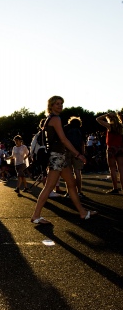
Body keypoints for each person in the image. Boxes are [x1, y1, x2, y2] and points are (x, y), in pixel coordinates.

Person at [31, 96, 97, 225]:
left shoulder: (49, 119)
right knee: (49, 187)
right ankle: (36, 216)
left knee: (71, 184)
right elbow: (63, 139)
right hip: (57, 156)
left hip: (59, 156)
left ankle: (82, 212)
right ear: (51, 105)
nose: (60, 106)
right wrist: (78, 154)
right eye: (57, 104)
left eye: (61, 103)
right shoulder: (55, 119)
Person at [96, 111, 123, 194]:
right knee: (121, 169)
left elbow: (98, 119)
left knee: (112, 169)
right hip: (120, 147)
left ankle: (115, 188)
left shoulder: (110, 126)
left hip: (112, 148)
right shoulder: (121, 126)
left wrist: (106, 114)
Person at [64, 116, 85, 197]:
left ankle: (69, 192)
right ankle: (79, 191)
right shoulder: (81, 129)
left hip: (68, 151)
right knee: (77, 172)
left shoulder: (66, 128)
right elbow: (83, 142)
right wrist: (82, 154)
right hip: (78, 152)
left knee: (68, 173)